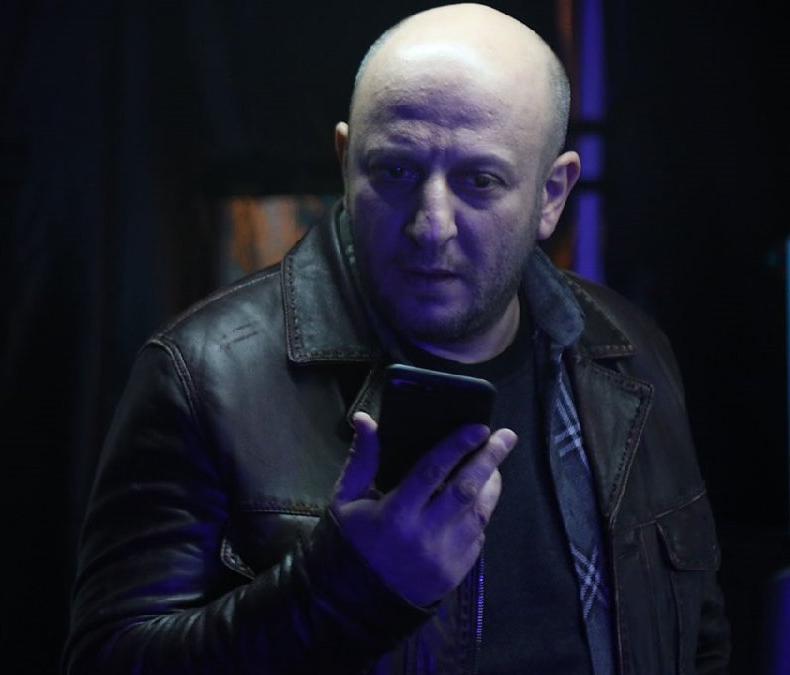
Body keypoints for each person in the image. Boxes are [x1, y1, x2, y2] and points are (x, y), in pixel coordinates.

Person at [63, 3, 730, 674]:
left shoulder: (628, 350)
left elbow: (696, 636)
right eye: (395, 172)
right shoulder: (207, 375)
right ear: (345, 161)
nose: (430, 225)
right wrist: (347, 589)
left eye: (479, 181)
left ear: (551, 195)